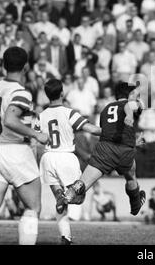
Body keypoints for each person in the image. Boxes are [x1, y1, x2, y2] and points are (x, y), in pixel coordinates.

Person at [0, 47, 49, 245]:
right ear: (26, 66)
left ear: (3, 65)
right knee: (33, 207)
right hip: (16, 151)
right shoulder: (22, 92)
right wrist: (36, 134)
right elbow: (11, 120)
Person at [64, 81, 146, 216]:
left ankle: (70, 194)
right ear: (130, 94)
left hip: (105, 149)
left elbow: (106, 131)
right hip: (124, 151)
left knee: (84, 182)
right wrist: (130, 117)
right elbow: (129, 107)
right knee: (131, 176)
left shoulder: (105, 109)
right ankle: (135, 204)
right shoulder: (131, 103)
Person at [35, 78, 102, 244]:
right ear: (62, 93)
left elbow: (35, 140)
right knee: (78, 198)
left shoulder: (41, 116)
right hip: (66, 157)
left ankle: (66, 237)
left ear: (46, 95)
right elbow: (92, 129)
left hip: (48, 158)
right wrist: (113, 133)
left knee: (61, 200)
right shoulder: (69, 112)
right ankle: (64, 199)